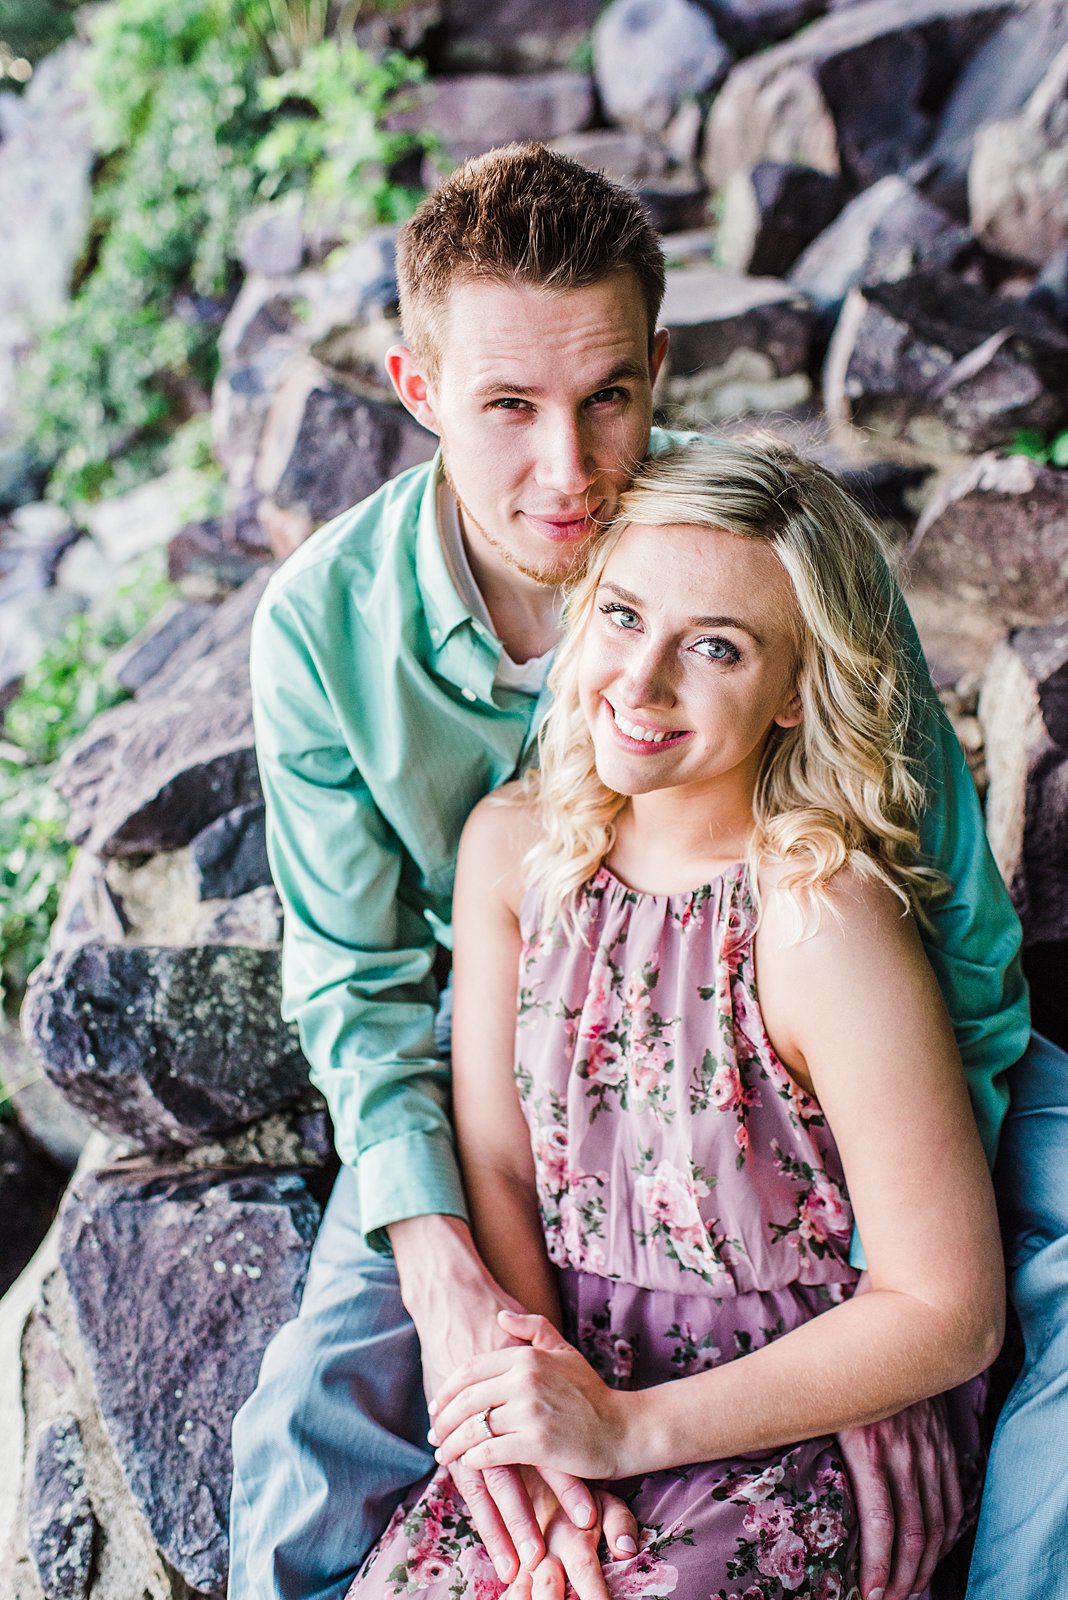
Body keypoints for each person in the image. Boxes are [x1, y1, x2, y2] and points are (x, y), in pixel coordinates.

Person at [227, 143, 1046, 1600]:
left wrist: (871, 1213)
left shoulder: (756, 561)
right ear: (418, 394)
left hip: (837, 1061)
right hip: (531, 1087)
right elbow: (360, 989)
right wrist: (463, 1293)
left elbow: (959, 936)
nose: (571, 466)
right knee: (309, 1418)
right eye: (507, 408)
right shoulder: (324, 630)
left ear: (659, 365)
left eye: (609, 394)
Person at [342, 433, 1005, 1600]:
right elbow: (496, 1161)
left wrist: (626, 1435)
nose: (639, 684)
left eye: (714, 647)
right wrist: (551, 1450)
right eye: (623, 617)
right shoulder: (515, 852)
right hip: (570, 1387)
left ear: (797, 690)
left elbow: (947, 1309)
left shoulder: (817, 917)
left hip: (790, 1423)